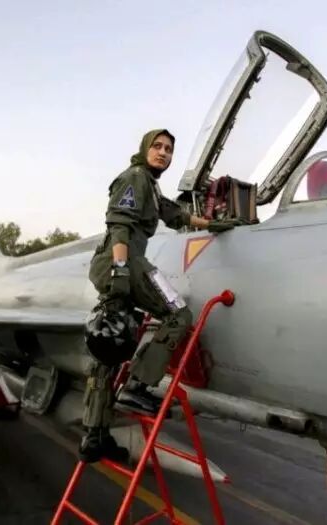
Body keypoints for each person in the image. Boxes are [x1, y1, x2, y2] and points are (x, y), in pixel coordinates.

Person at [79, 128, 242, 463]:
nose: (163, 153)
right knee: (178, 315)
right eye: (157, 146)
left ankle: (94, 436)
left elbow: (175, 214)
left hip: (123, 262)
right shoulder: (135, 178)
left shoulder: (151, 187)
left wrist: (210, 225)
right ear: (145, 149)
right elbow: (119, 226)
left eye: (169, 149)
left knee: (110, 347)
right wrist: (121, 270)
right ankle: (138, 387)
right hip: (123, 260)